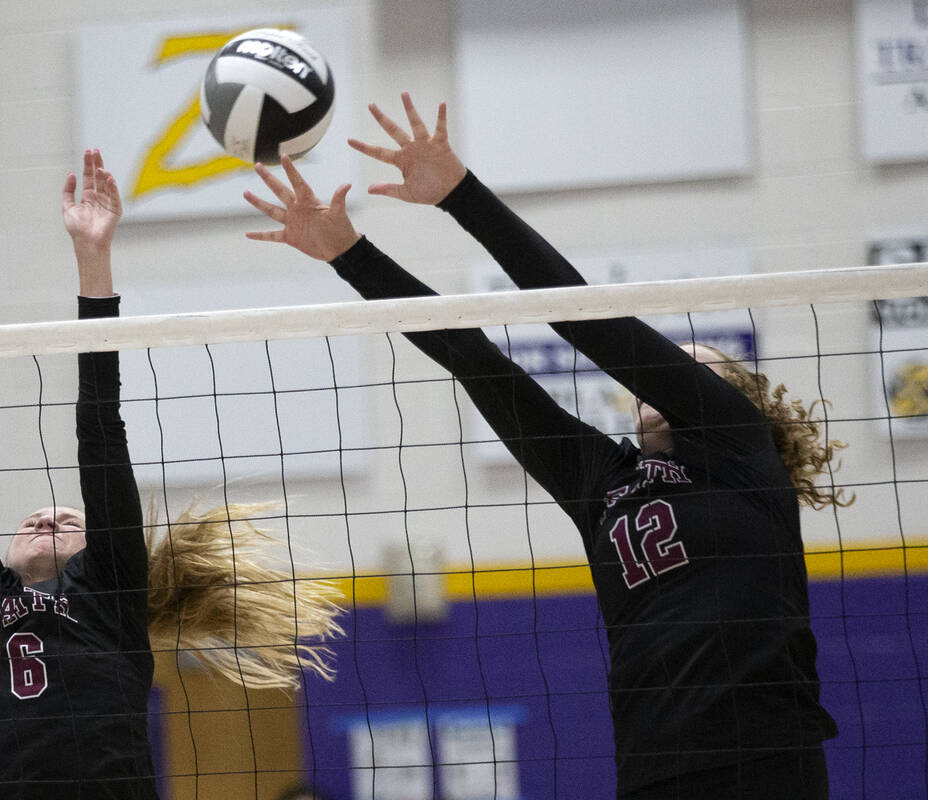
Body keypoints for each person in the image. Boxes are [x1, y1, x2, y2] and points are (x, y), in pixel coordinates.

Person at [244, 95, 847, 799]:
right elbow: (477, 361)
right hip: (653, 768)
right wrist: (351, 255)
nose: (679, 368)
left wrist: (462, 197)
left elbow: (582, 315)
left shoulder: (738, 449)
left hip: (767, 758)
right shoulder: (606, 481)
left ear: (730, 396)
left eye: (698, 363)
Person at [0, 150, 342, 798]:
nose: (47, 517)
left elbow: (101, 427)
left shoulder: (112, 592)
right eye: (38, 519)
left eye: (68, 520)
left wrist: (93, 260)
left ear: (97, 547)